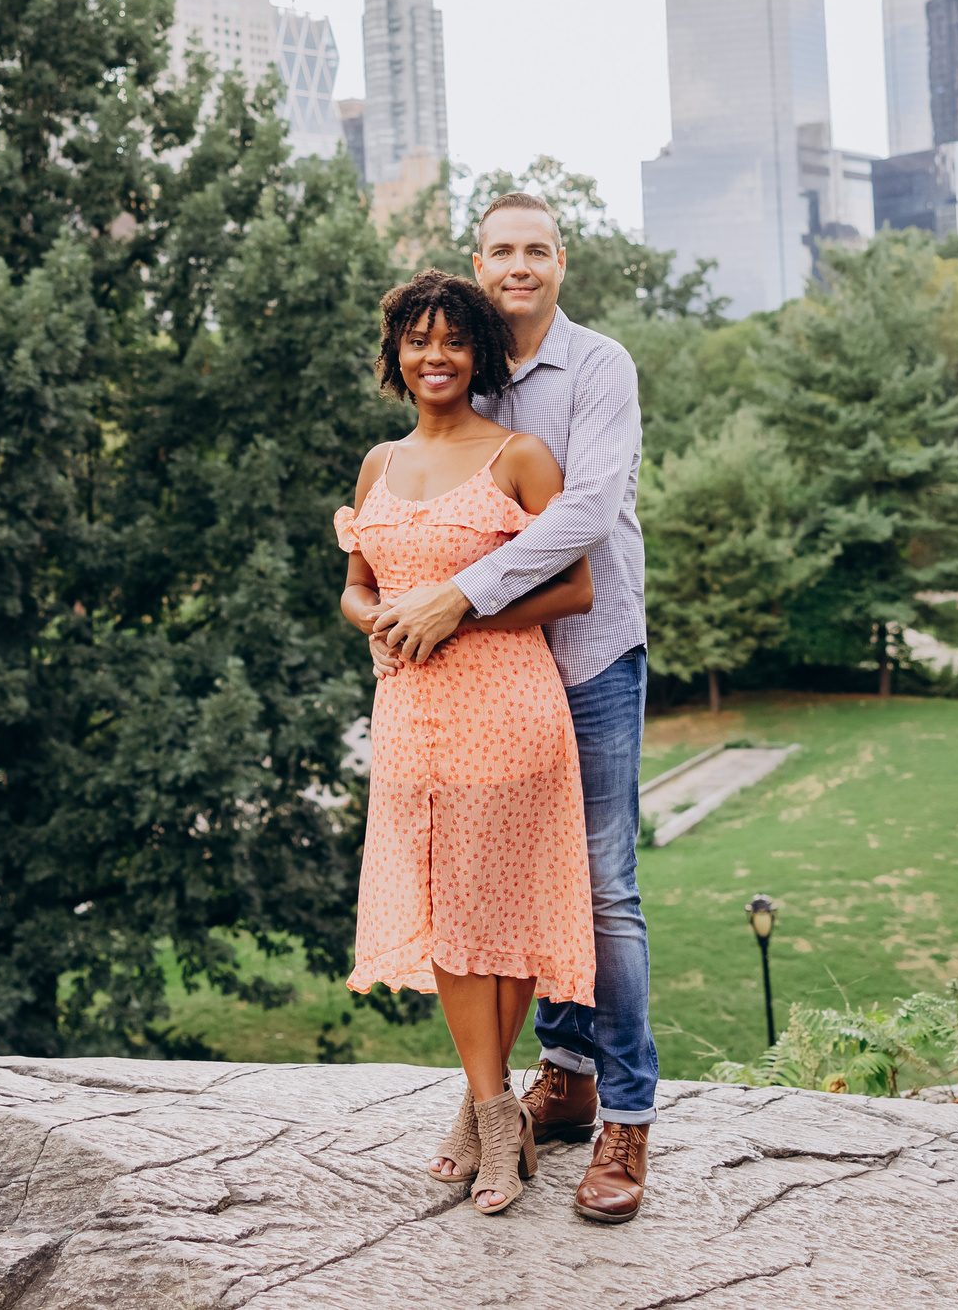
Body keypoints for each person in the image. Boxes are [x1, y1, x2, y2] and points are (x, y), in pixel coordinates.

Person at [370, 191, 661, 1225]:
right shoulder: (469, 366)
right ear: (479, 263)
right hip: (483, 681)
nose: (519, 265)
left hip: (586, 656)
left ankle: (626, 1114)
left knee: (602, 887)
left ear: (561, 261)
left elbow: (585, 512)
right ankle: (562, 1077)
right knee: (516, 886)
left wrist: (457, 596)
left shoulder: (598, 367)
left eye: (537, 248)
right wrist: (394, 592)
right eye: (502, 250)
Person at [336, 267, 597, 1217]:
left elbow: (575, 589)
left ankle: (484, 1115)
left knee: (503, 910)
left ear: (480, 352)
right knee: (447, 906)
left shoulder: (520, 457)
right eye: (418, 341)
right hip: (411, 715)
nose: (435, 356)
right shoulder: (379, 464)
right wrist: (378, 620)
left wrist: (456, 613)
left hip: (508, 708)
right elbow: (356, 586)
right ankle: (495, 1109)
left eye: (453, 340)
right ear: (396, 356)